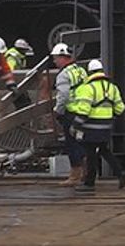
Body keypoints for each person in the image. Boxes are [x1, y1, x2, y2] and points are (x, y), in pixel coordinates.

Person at [67, 59, 125, 193]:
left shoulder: (88, 88)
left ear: (90, 72)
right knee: (103, 150)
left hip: (91, 127)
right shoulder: (112, 88)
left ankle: (89, 184)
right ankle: (120, 172)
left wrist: (75, 126)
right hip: (106, 127)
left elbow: (84, 111)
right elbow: (120, 109)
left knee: (90, 154)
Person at [50, 42, 88, 186]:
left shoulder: (64, 75)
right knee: (83, 142)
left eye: (56, 58)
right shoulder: (81, 71)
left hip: (71, 113)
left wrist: (57, 111)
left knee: (71, 144)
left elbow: (63, 95)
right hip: (84, 112)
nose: (54, 61)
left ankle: (74, 176)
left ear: (63, 57)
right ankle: (87, 173)